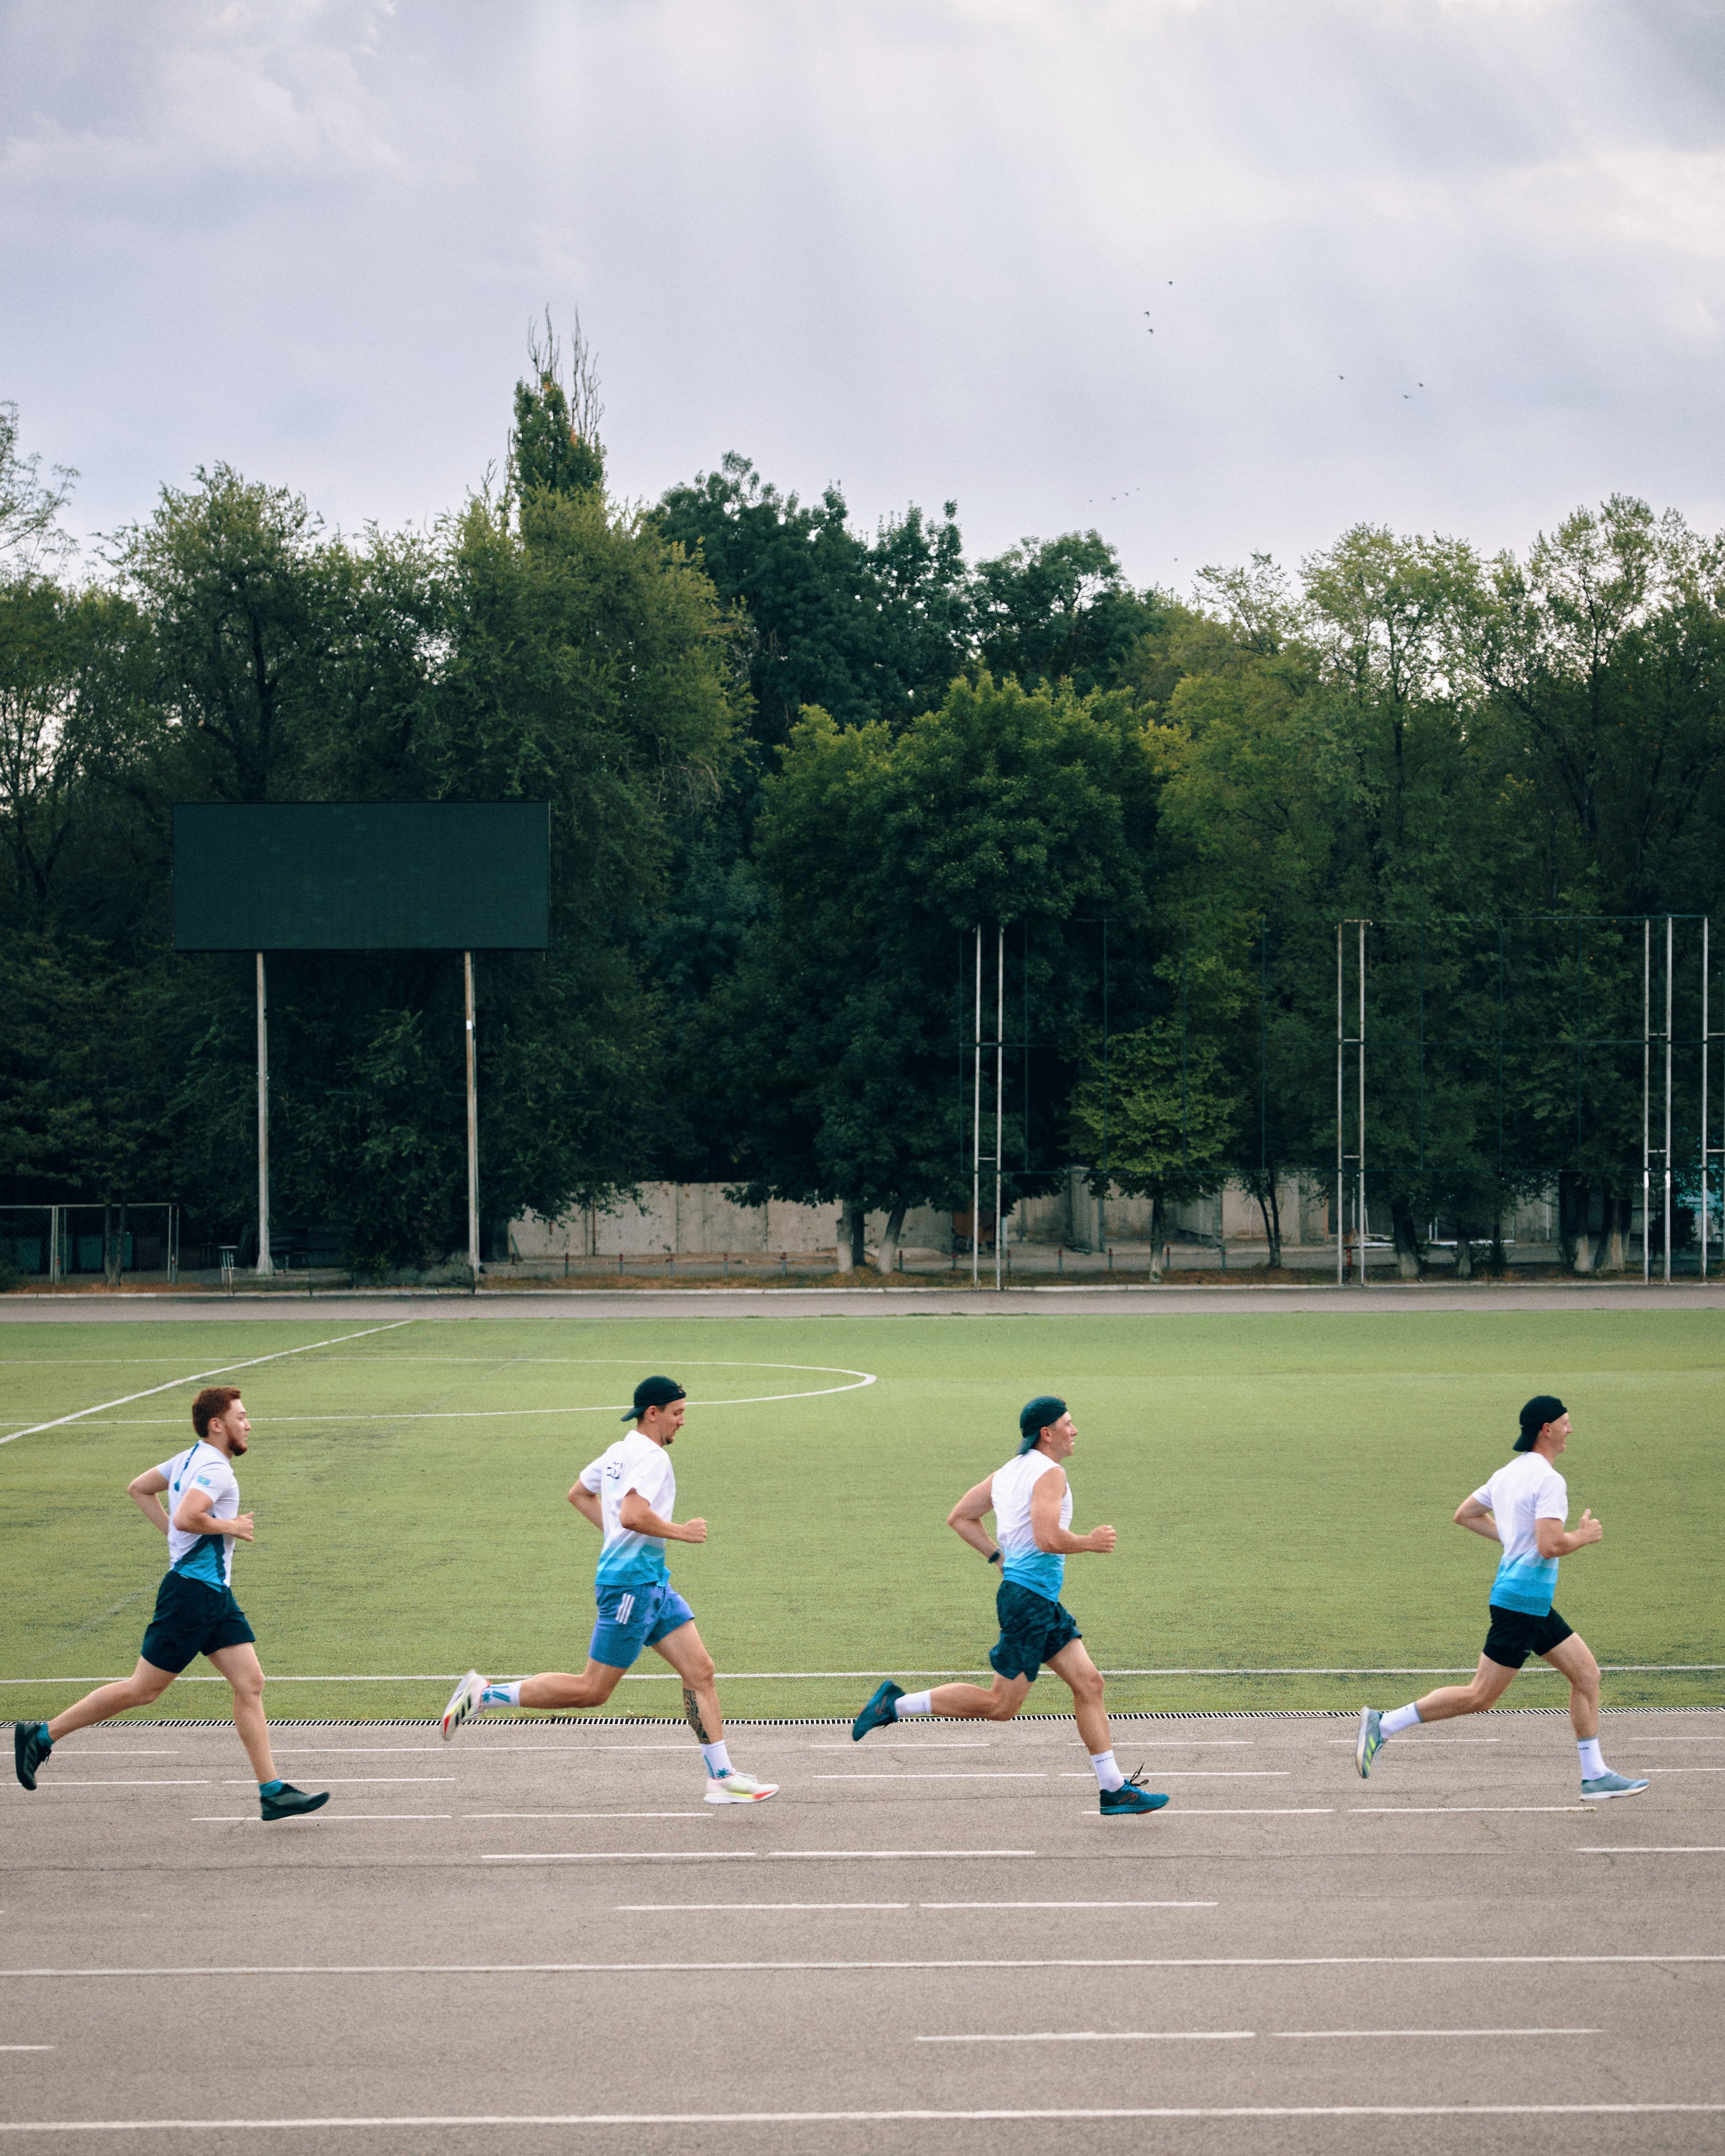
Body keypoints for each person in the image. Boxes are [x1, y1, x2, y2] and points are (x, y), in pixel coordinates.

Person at [441, 1374, 777, 1806]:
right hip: (630, 1590)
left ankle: (722, 1777)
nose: (682, 1423)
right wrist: (682, 1532)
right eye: (677, 1414)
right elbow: (635, 1515)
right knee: (592, 1691)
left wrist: (615, 1538)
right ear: (652, 1414)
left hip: (653, 1583)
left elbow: (579, 1494)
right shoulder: (653, 1458)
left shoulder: (620, 1452)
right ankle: (483, 1695)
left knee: (700, 1672)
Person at [12, 1386, 329, 1821]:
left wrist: (176, 1540)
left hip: (213, 1594)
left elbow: (139, 1488)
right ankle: (42, 1736)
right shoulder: (215, 1469)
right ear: (217, 1424)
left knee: (250, 1682)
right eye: (240, 1417)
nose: (248, 1424)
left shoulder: (185, 1459)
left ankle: (272, 1792)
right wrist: (229, 1525)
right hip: (192, 1596)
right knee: (143, 1690)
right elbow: (186, 1517)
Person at [850, 1395, 1168, 1816]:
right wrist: (1090, 1542)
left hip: (1037, 1600)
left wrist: (999, 1559)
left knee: (1090, 1684)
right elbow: (1048, 1539)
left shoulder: (1007, 1472)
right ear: (1047, 1433)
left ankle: (1113, 1789)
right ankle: (894, 1704)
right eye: (1068, 1424)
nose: (1075, 1431)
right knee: (1000, 1705)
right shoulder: (1050, 1473)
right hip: (1028, 1603)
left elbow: (961, 1518)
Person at [1357, 1395, 1648, 1800]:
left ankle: (1595, 1775)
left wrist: (1513, 1540)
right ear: (1546, 1429)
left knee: (1587, 1676)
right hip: (1522, 1603)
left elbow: (1465, 1514)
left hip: (1530, 1601)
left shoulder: (1508, 1473)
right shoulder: (1549, 1480)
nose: (1571, 1429)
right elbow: (1549, 1546)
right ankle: (1383, 1725)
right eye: (1566, 1422)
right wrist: (1582, 1536)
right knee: (1480, 1696)